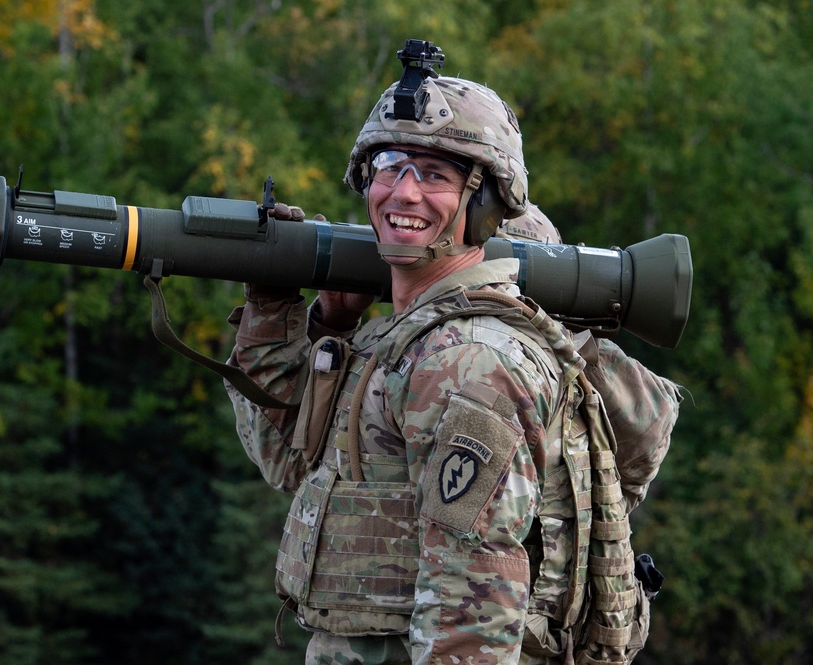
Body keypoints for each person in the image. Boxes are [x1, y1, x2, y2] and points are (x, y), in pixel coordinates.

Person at [225, 66, 681, 665]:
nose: (404, 193)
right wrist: (293, 316)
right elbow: (291, 461)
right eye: (389, 166)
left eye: (435, 175)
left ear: (486, 201)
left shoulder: (468, 362)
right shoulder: (406, 340)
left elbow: (474, 598)